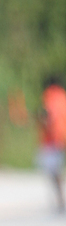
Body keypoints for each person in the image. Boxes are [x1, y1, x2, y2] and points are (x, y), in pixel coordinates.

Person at [37, 74, 66, 212]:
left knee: (53, 171)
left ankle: (60, 200)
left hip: (52, 139)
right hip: (62, 137)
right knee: (56, 170)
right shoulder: (63, 96)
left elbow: (49, 115)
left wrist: (41, 120)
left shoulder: (50, 95)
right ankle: (60, 200)